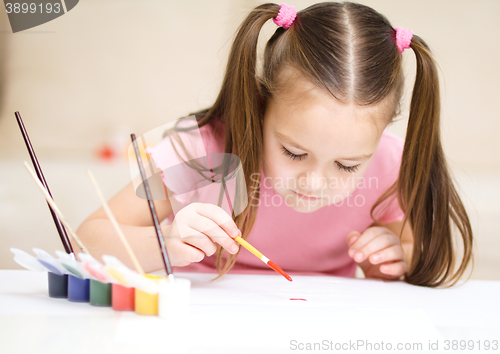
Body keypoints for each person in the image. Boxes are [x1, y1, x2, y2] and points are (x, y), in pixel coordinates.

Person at [76, 2, 473, 287]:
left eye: (348, 165)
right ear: (261, 105)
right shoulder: (206, 153)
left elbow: (415, 250)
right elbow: (86, 240)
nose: (314, 182)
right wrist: (161, 244)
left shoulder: (389, 164)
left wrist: (392, 258)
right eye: (294, 153)